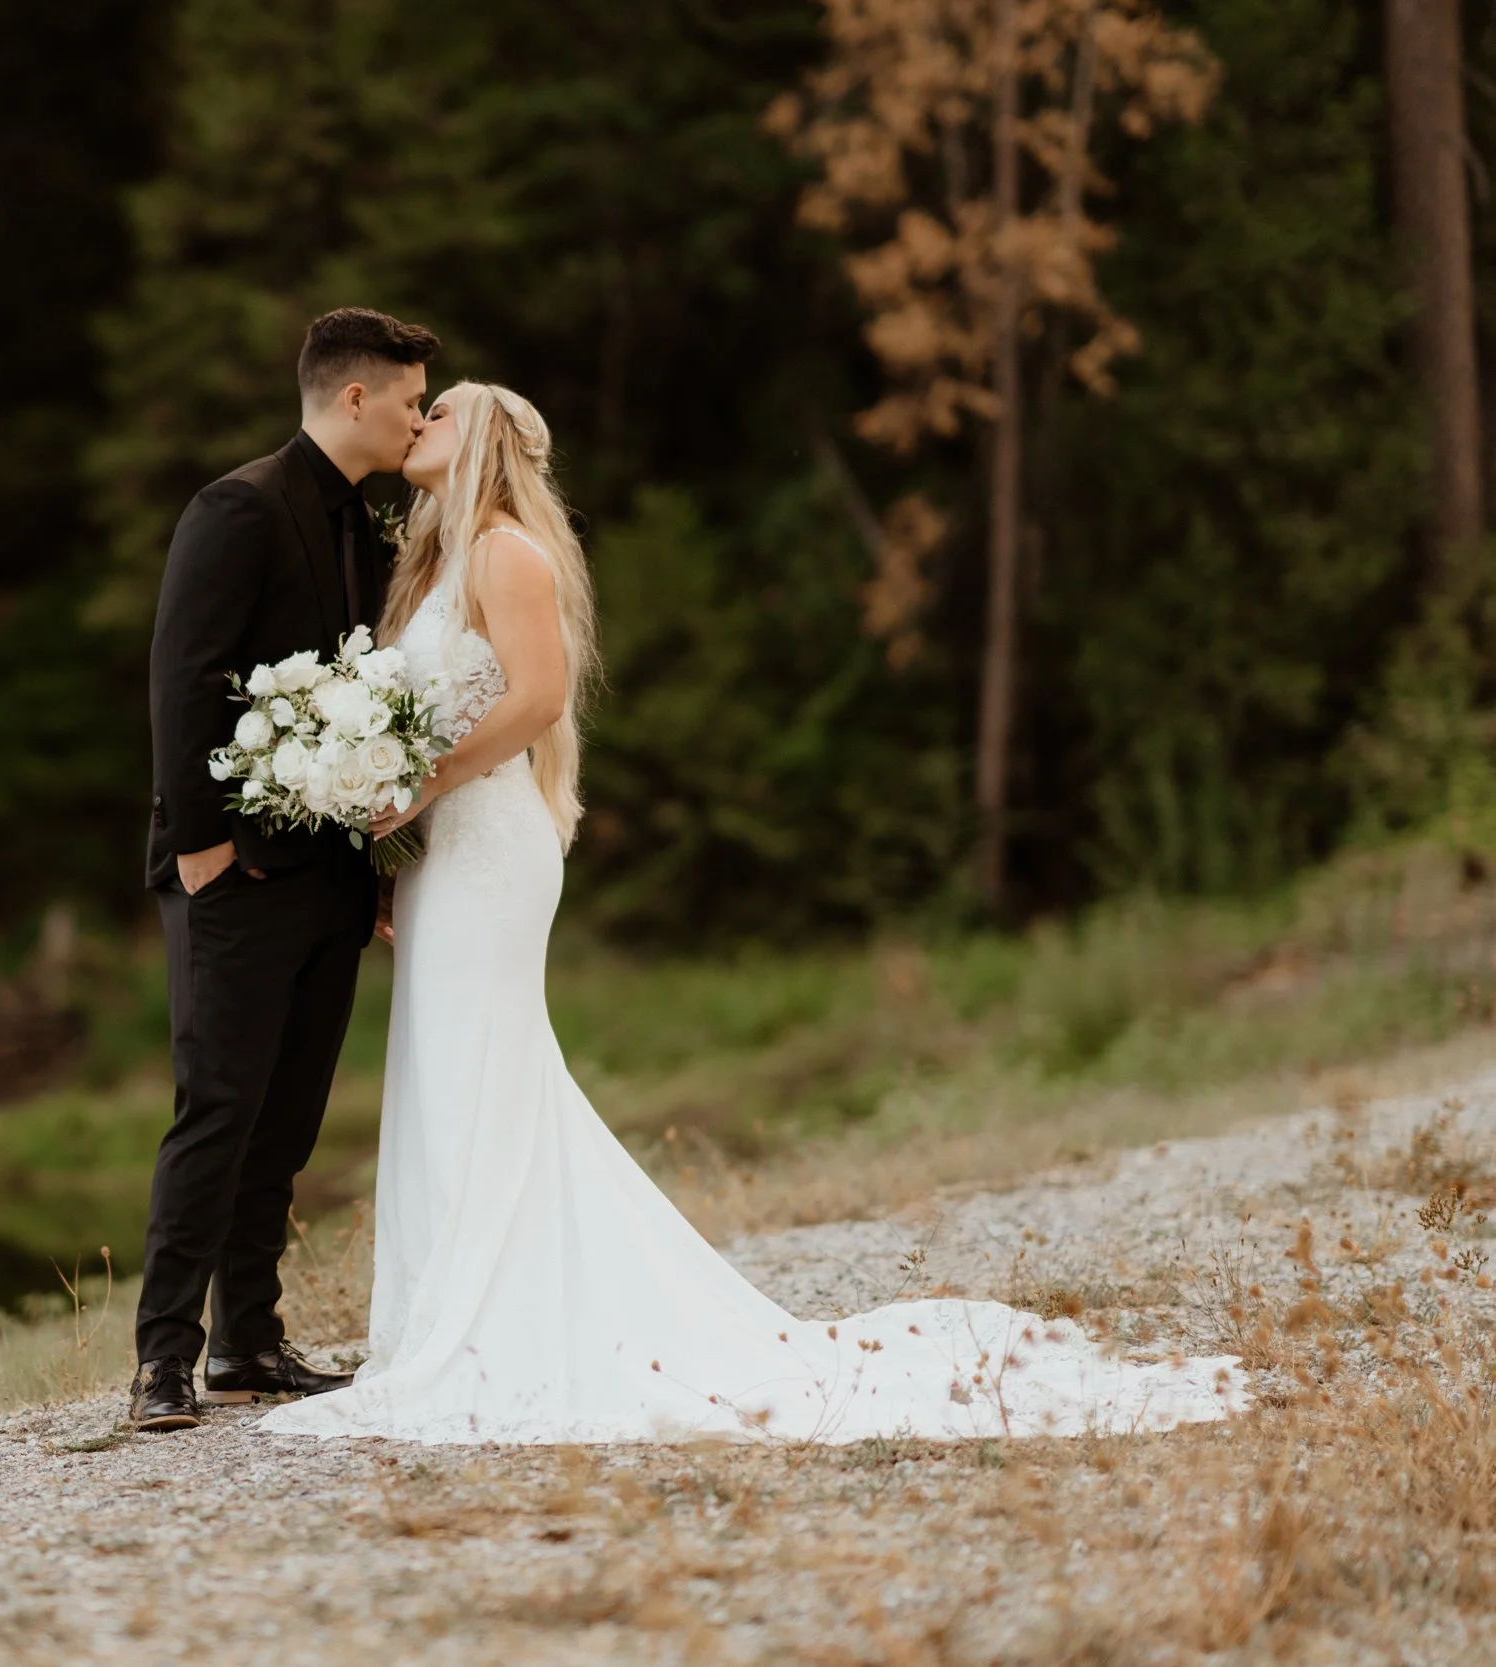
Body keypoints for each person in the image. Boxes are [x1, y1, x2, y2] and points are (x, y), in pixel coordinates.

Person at [257, 383, 1246, 1444]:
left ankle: (495, 1325)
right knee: (447, 1071)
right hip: (445, 852)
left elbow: (538, 699)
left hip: (491, 846)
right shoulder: (433, 561)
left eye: (439, 410)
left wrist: (424, 782)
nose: (420, 422)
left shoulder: (505, 550)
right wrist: (391, 816)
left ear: (486, 434)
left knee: (476, 1066)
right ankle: (456, 1316)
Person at [131, 307, 438, 1432]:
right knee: (217, 1104)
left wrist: (381, 863)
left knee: (289, 1115)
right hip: (235, 869)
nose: (418, 417)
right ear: (353, 397)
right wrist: (204, 847)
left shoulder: (374, 526)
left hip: (331, 872)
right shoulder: (237, 506)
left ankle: (247, 1342)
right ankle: (160, 1359)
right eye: (408, 398)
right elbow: (184, 677)